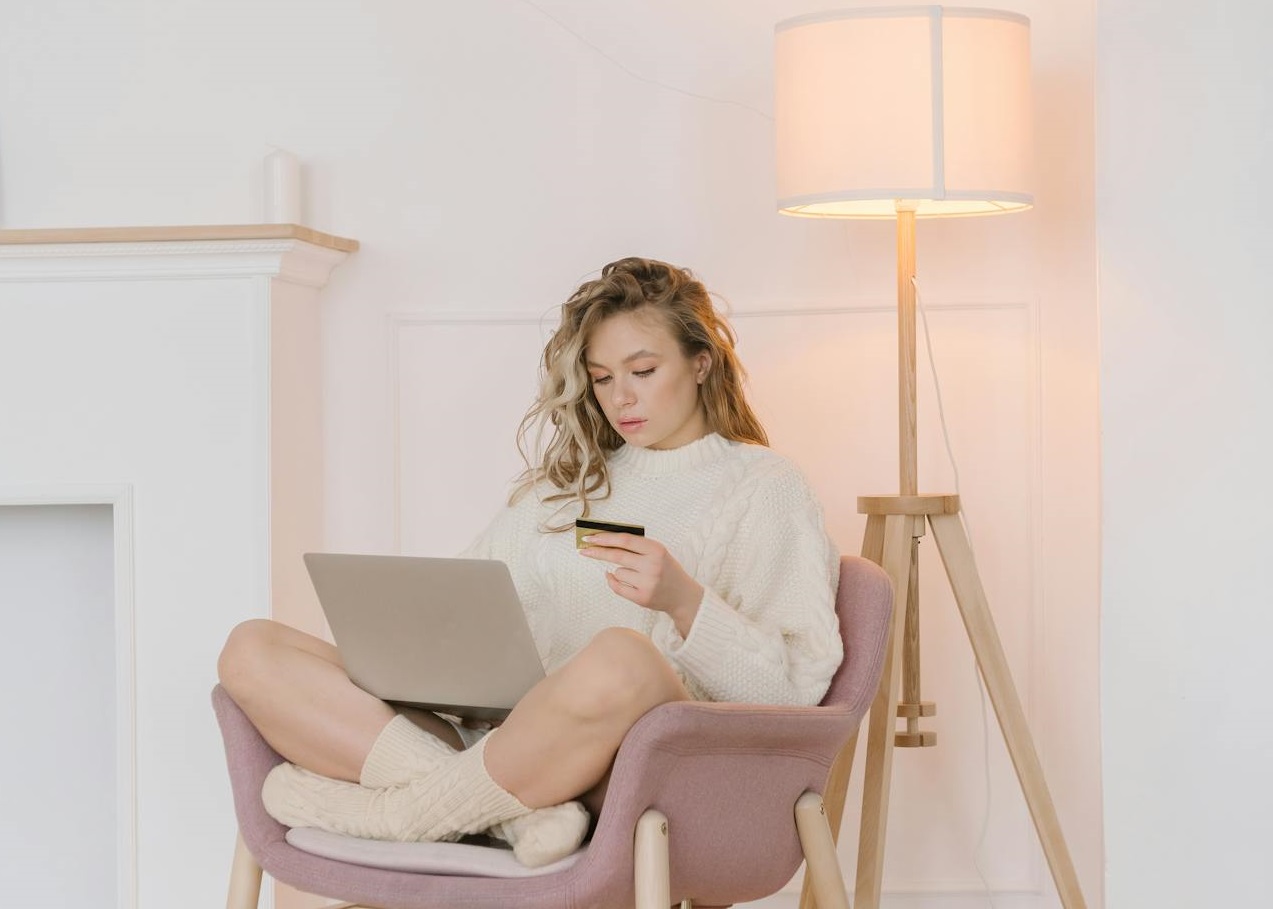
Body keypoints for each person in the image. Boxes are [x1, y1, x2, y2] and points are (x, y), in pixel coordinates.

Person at [217, 256, 843, 868]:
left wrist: (684, 601)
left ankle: (403, 815)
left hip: (631, 764)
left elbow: (795, 689)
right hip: (498, 743)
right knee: (251, 648)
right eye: (601, 378)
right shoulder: (566, 486)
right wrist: (414, 649)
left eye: (644, 370)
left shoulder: (765, 486)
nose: (621, 398)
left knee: (622, 656)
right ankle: (511, 815)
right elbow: (461, 598)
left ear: (701, 362)